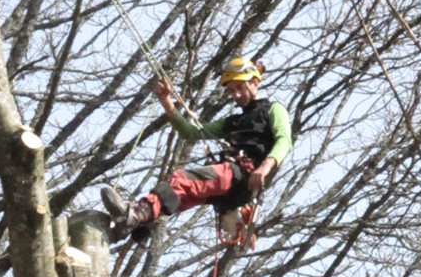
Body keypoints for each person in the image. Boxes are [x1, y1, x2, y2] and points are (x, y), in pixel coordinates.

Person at [101, 58, 292, 242]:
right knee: (175, 195)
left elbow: (284, 140)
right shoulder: (232, 122)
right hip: (229, 190)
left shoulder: (273, 110)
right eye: (231, 91)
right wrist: (166, 101)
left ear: (255, 83)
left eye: (240, 88)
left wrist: (264, 168)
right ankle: (122, 228)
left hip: (240, 175)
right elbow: (191, 133)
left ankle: (135, 214)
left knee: (181, 180)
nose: (236, 96)